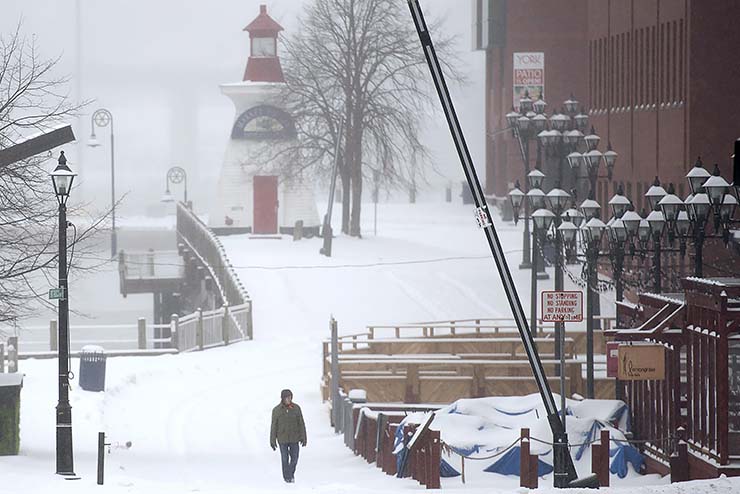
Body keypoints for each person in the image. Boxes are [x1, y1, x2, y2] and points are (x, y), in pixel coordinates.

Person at [270, 389, 307, 483]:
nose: (288, 399)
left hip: (295, 438)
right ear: (282, 398)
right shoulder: (276, 410)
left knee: (294, 458)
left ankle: (290, 473)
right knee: (284, 458)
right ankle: (287, 477)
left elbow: (301, 423)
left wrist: (303, 437)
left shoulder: (296, 408)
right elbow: (274, 426)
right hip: (282, 439)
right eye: (286, 398)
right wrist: (272, 440)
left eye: (289, 397)